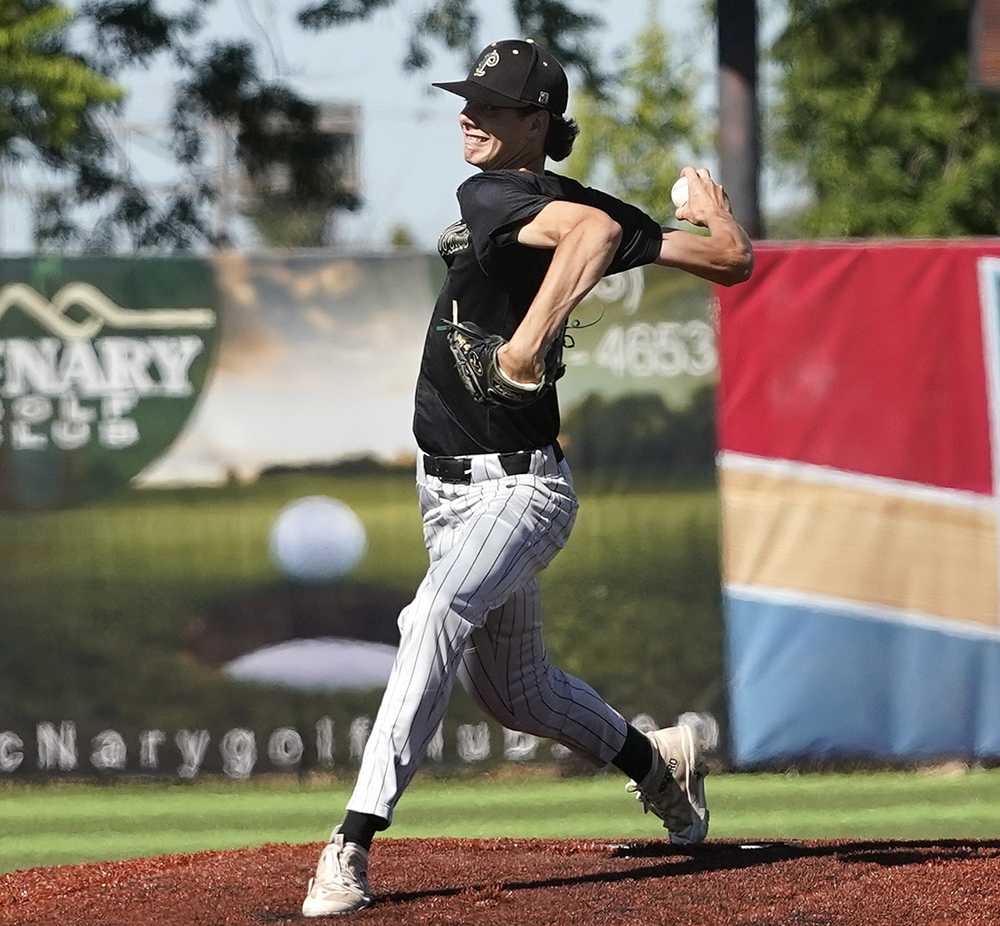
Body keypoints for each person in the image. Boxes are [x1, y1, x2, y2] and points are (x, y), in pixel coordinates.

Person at [302, 38, 753, 917]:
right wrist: (709, 214)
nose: (467, 114)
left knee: (432, 614)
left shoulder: (502, 192)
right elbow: (725, 258)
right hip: (448, 491)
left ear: (536, 124)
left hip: (521, 490)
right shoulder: (566, 205)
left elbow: (612, 237)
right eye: (466, 99)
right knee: (517, 694)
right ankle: (657, 764)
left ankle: (351, 842)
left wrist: (525, 345)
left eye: (492, 107)